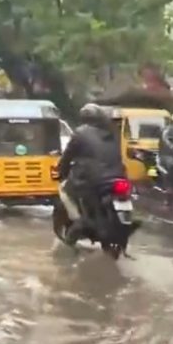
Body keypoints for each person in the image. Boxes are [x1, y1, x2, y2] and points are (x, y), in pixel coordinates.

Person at [58, 104, 127, 243]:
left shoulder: (80, 133)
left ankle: (79, 222)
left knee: (67, 192)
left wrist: (62, 170)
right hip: (118, 177)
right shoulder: (112, 133)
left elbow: (67, 156)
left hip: (91, 179)